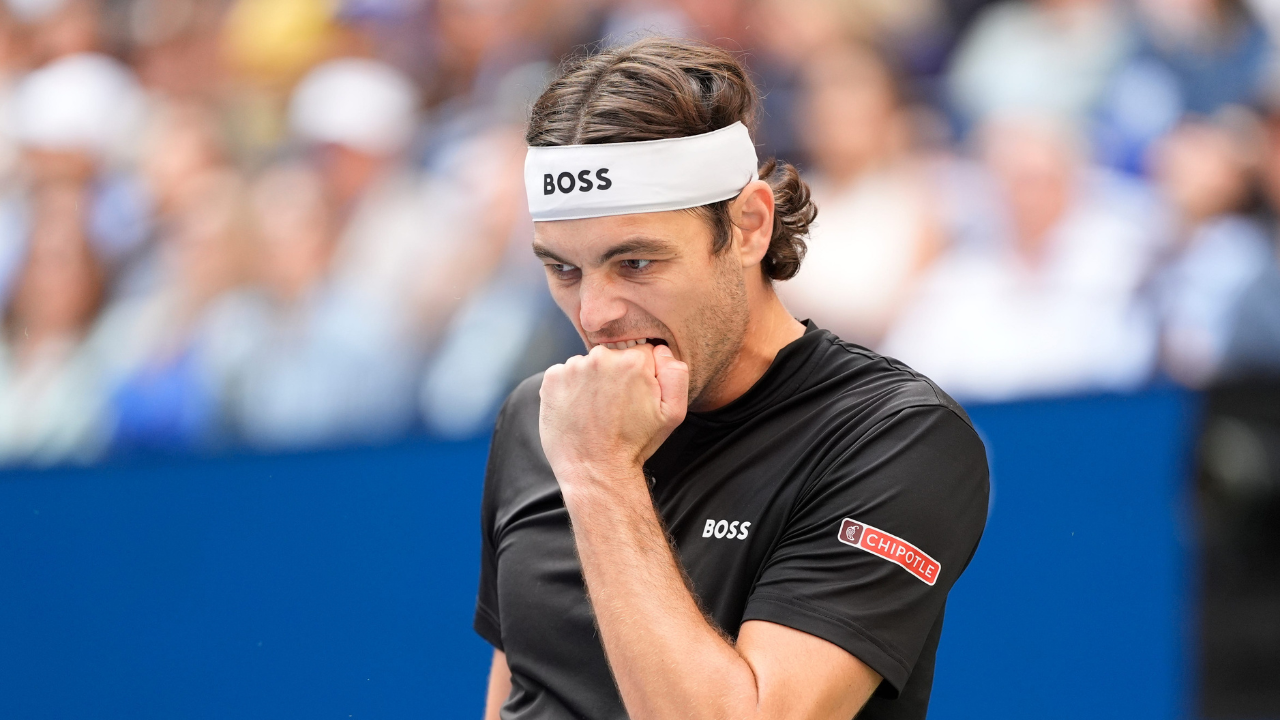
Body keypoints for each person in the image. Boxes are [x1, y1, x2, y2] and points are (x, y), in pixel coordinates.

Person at [475, 37, 989, 720]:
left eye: (635, 263)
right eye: (563, 269)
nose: (594, 315)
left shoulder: (899, 435)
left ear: (748, 225)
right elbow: (521, 696)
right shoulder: (541, 414)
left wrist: (601, 473)